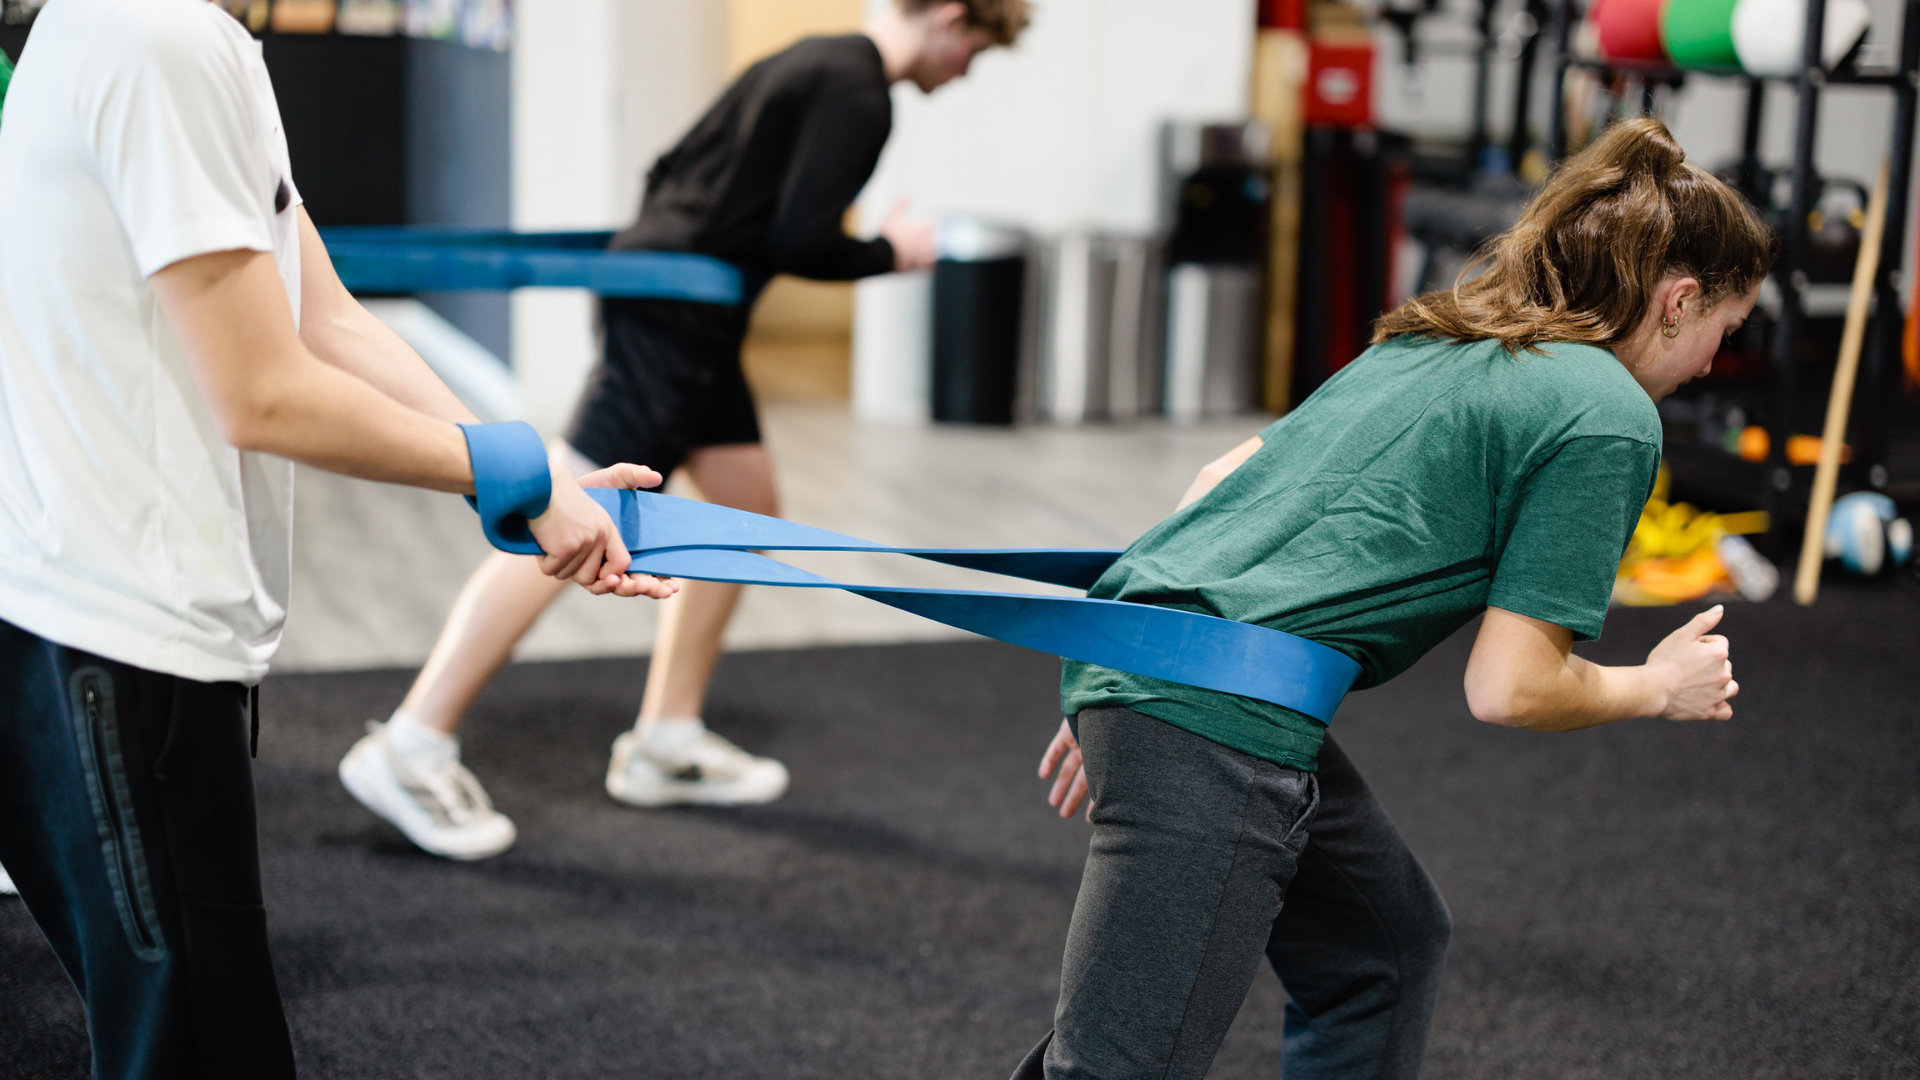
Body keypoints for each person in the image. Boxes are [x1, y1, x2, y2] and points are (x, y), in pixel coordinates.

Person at [1021, 118, 1773, 1080]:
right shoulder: (1610, 417)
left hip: (1171, 665)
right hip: (1218, 711)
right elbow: (1510, 688)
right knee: (1119, 1067)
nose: (1714, 361)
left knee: (1382, 947)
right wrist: (1655, 687)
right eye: (1725, 330)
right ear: (1677, 302)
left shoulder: (1445, 334)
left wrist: (1128, 673)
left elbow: (1216, 483)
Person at [0, 2, 672, 1076]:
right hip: (114, 644)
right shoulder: (159, 40)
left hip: (95, 630)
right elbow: (265, 395)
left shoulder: (166, 37)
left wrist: (530, 462)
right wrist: (516, 478)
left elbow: (327, 319)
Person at [338, 0, 1031, 860]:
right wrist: (892, 252)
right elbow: (800, 238)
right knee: (564, 508)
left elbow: (673, 168)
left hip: (680, 304)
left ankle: (667, 738)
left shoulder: (809, 58)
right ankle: (412, 740)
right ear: (952, 17)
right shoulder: (860, 93)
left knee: (746, 508)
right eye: (975, 49)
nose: (964, 69)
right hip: (679, 316)